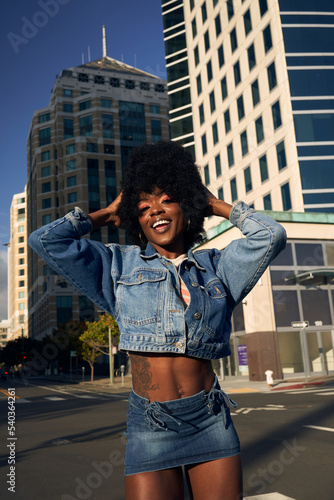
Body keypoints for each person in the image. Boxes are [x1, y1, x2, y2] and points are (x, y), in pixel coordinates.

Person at [29, 140, 286, 500]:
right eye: (144, 206)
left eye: (166, 199)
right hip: (151, 423)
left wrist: (212, 203)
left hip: (209, 418)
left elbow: (270, 234)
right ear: (136, 219)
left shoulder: (219, 267)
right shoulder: (117, 266)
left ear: (186, 205)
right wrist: (107, 211)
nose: (155, 211)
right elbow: (46, 241)